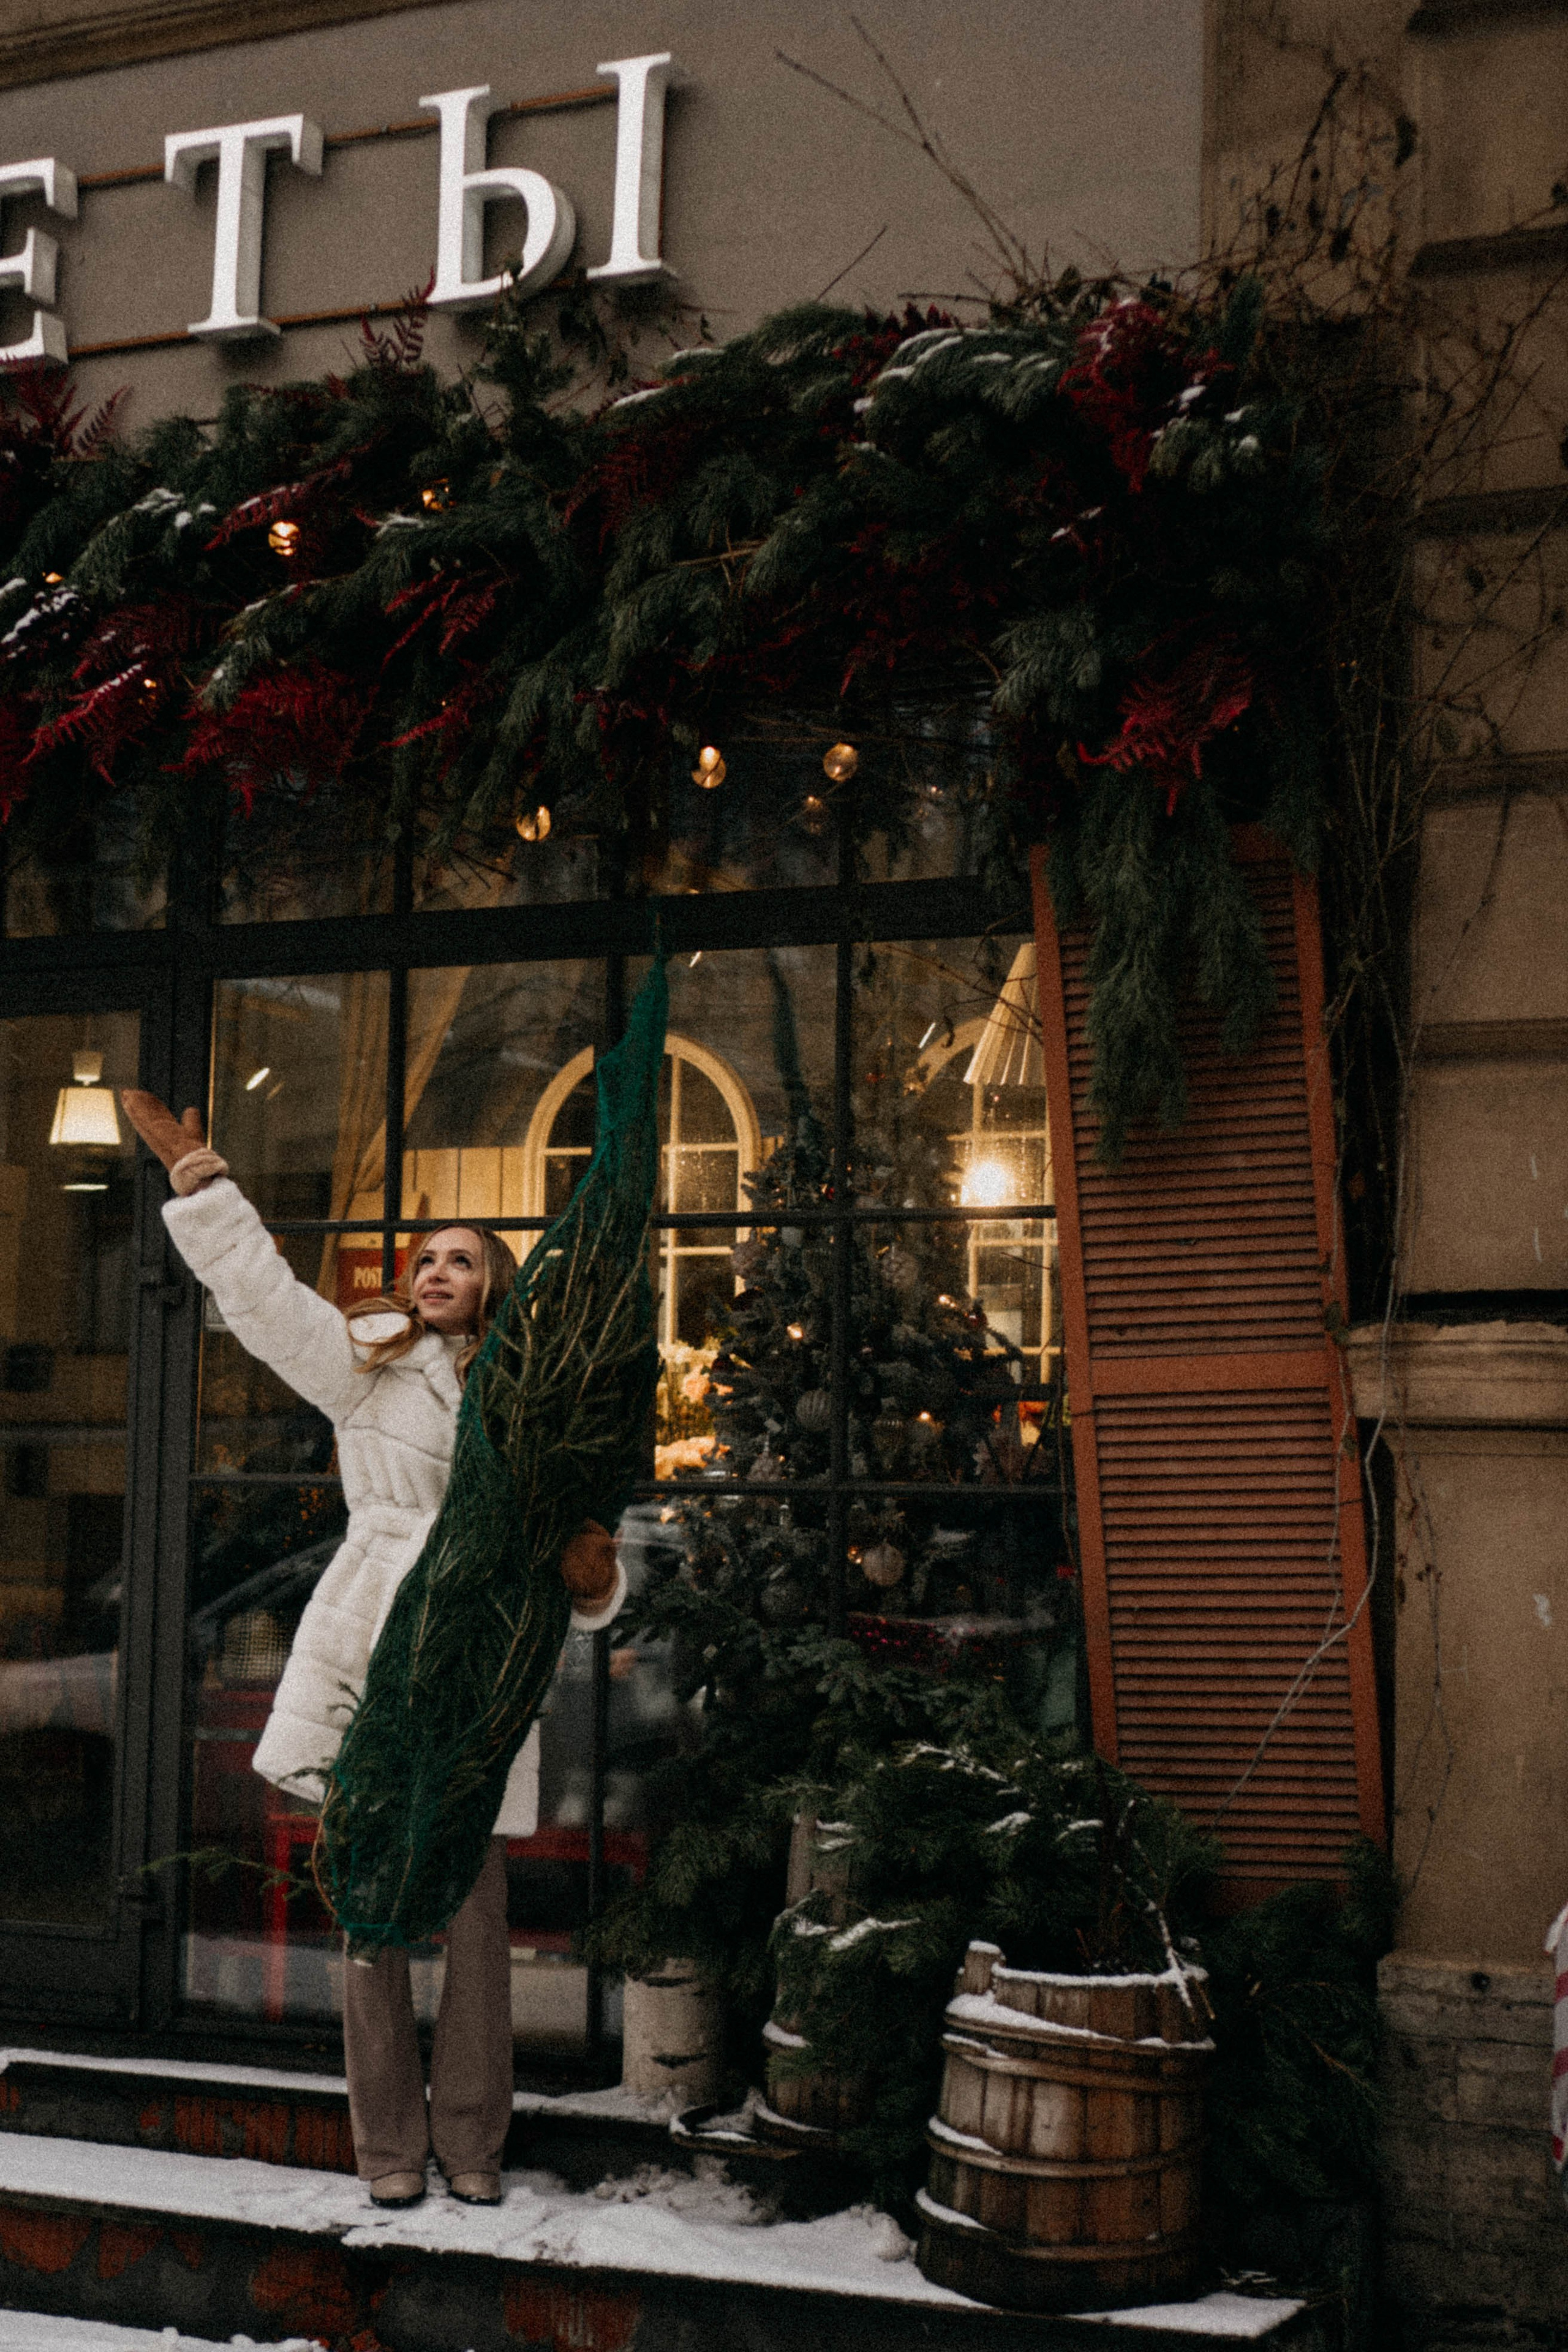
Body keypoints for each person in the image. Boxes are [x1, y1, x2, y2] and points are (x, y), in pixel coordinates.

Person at [121, 1091, 625, 2212]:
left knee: (477, 1922)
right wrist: (206, 1187)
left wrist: (596, 1580)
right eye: (426, 1258)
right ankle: (388, 2145)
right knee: (369, 1913)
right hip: (374, 1656)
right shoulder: (370, 1362)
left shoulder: (531, 1394)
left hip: (479, 1677)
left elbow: (580, 1557)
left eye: (462, 1259)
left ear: (495, 1284)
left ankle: (474, 2141)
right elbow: (266, 1303)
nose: (437, 1271)